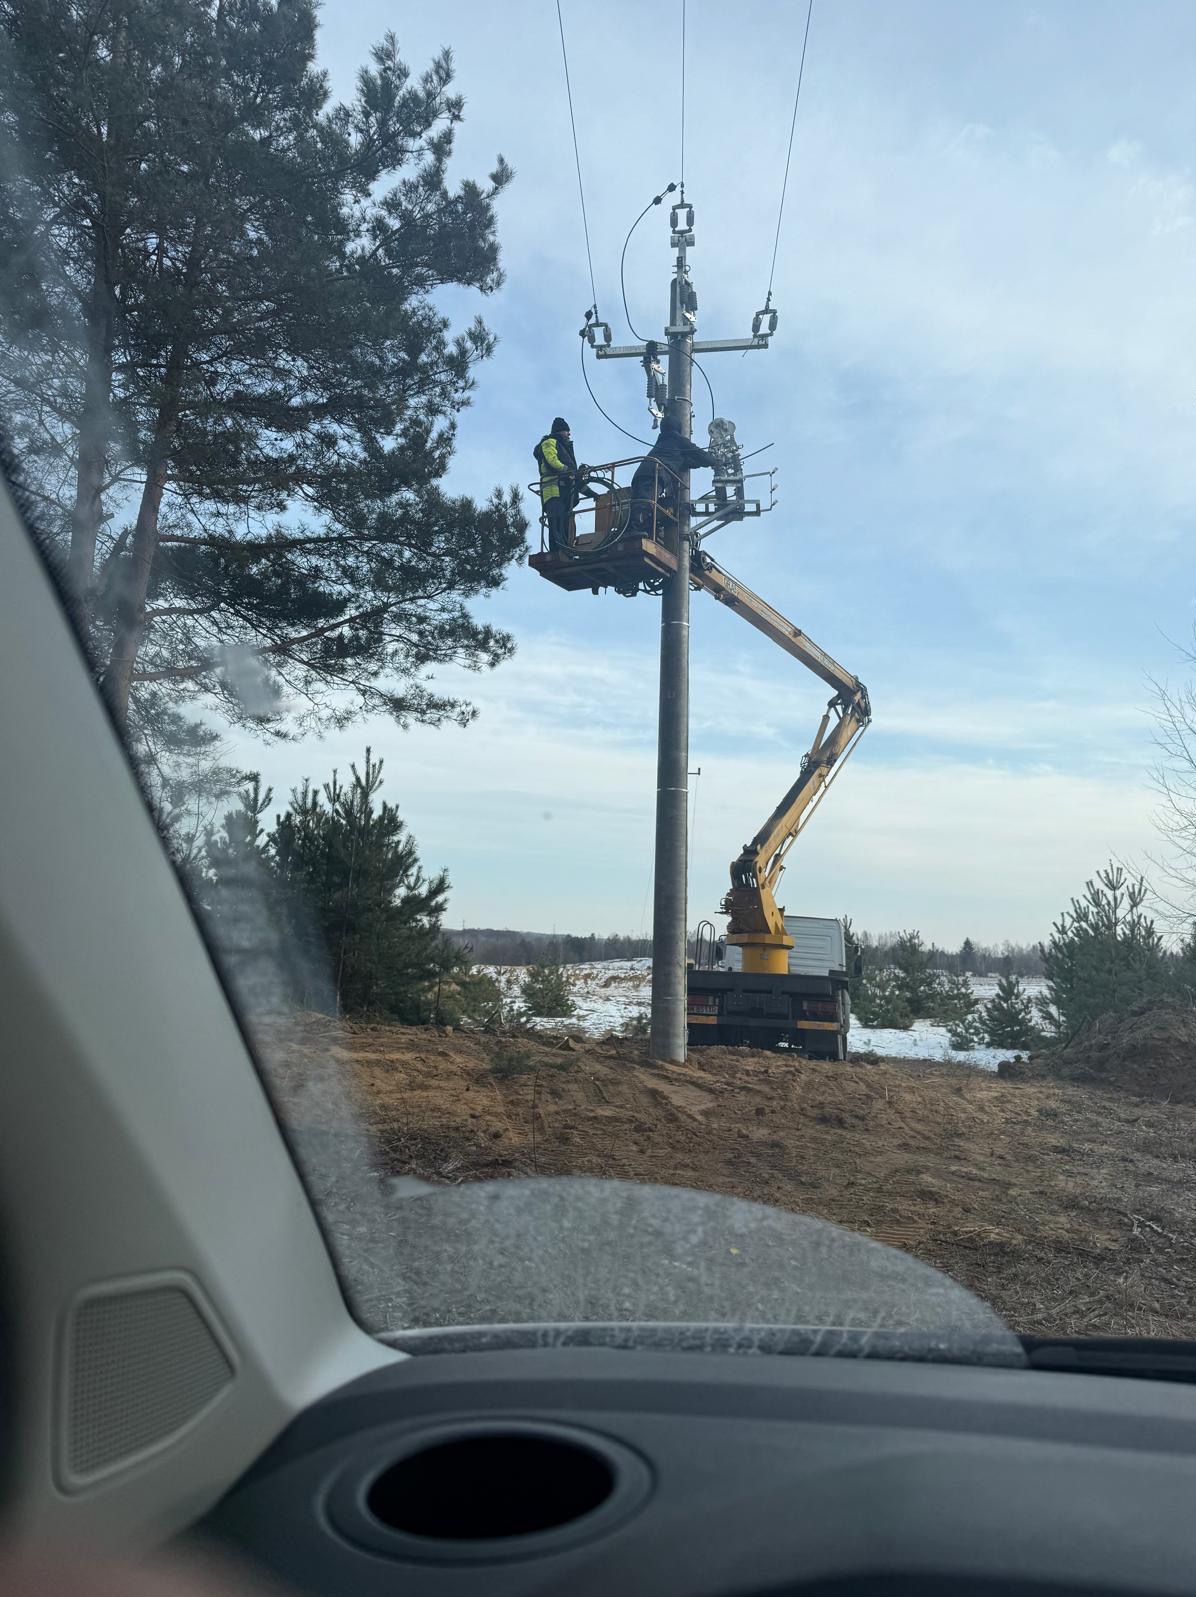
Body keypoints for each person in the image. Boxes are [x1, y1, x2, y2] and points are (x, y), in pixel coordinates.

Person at [629, 407, 717, 538]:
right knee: (645, 503)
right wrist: (715, 460)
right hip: (655, 473)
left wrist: (707, 461)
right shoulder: (678, 440)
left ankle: (640, 529)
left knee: (641, 502)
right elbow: (700, 455)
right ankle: (635, 529)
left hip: (644, 473)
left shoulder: (665, 443)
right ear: (679, 428)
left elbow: (688, 462)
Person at [534, 417, 583, 551]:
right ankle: (556, 551)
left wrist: (591, 493)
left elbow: (574, 477)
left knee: (565, 522)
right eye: (567, 431)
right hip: (553, 490)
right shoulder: (550, 442)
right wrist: (566, 470)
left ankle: (566, 549)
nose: (569, 434)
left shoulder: (565, 449)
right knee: (556, 522)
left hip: (565, 491)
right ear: (560, 431)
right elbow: (551, 460)